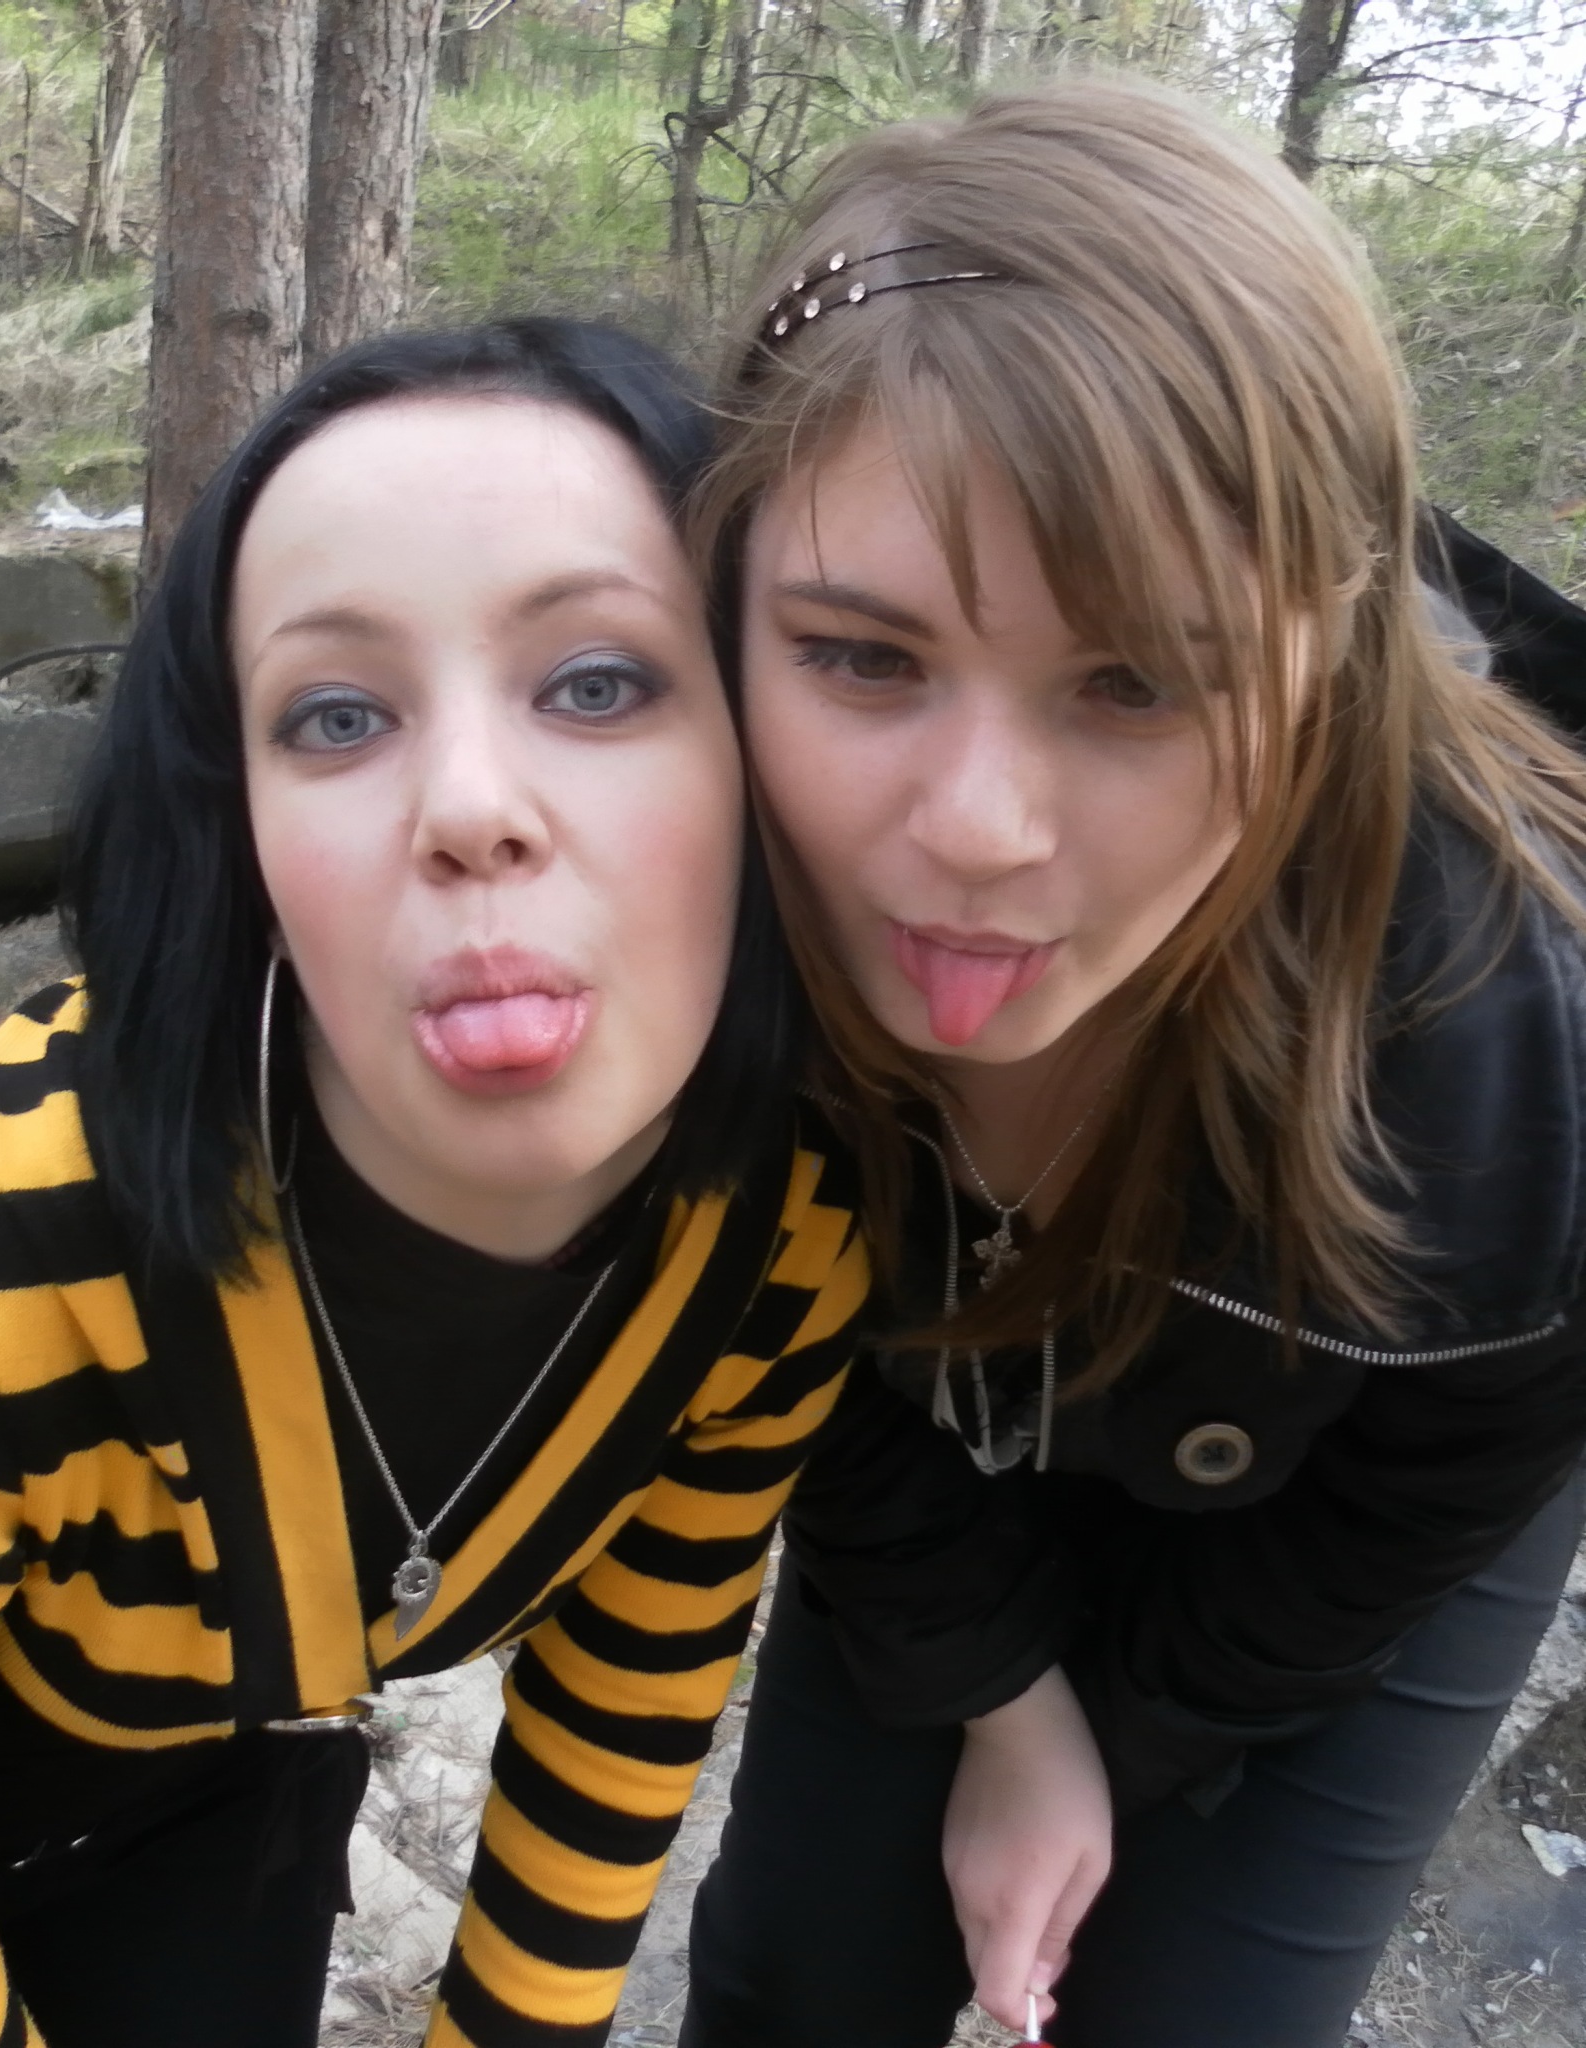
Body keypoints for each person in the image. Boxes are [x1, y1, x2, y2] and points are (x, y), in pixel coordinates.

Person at [678, 80, 1586, 2048]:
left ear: (1332, 659)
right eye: (861, 656)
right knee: (795, 1984)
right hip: (936, 1442)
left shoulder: (1513, 1041)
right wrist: (1004, 1710)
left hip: (1359, 1486)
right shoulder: (681, 917)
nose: (978, 829)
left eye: (1137, 683)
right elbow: (777, 1349)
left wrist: (1136, 1732)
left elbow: (1457, 1459)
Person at [0, 322, 867, 2048]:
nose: (471, 809)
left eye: (597, 683)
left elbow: (622, 1729)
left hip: (217, 1794)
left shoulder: (779, 1254)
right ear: (237, 829)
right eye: (336, 716)